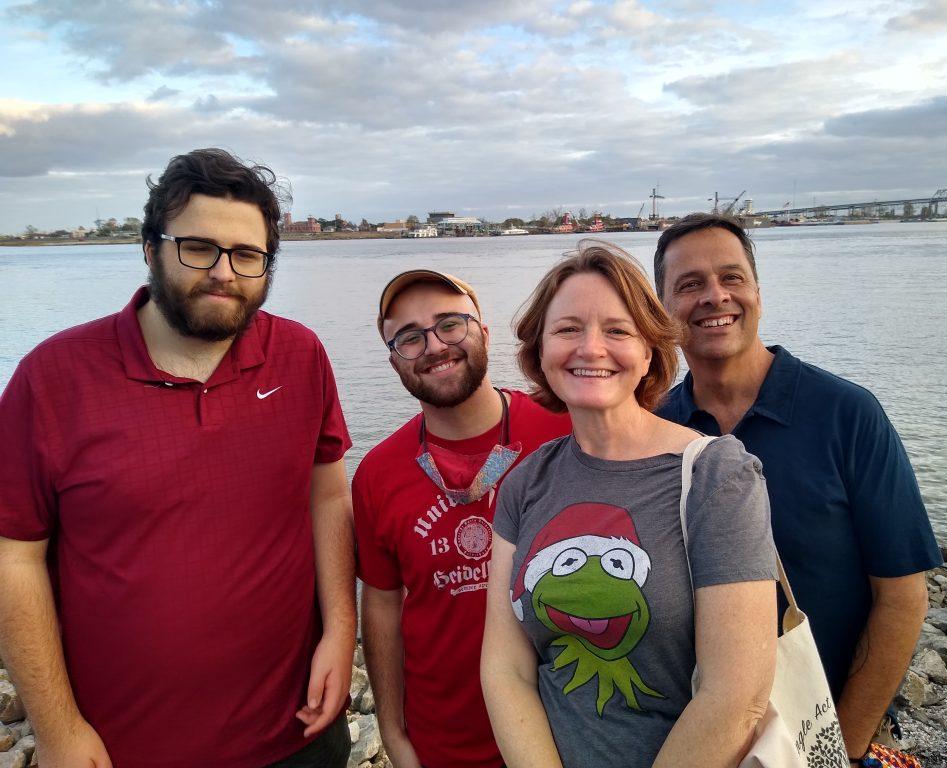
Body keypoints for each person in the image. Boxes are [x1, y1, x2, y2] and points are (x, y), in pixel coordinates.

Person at [0, 148, 356, 768]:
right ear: (149, 248)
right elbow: (14, 554)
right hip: (125, 747)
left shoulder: (300, 356)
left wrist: (339, 630)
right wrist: (57, 728)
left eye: (247, 255)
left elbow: (326, 494)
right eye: (199, 247)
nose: (224, 271)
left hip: (297, 735)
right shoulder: (53, 379)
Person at [652, 213, 942, 763]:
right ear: (661, 309)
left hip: (823, 726)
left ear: (757, 291)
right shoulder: (656, 428)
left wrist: (845, 747)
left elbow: (902, 597)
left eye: (731, 277)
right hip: (696, 738)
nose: (715, 296)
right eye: (689, 285)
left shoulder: (846, 414)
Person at [481, 242, 778, 768]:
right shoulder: (525, 484)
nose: (591, 348)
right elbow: (506, 669)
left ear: (649, 352)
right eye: (568, 329)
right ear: (540, 352)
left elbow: (737, 694)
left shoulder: (717, 475)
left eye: (617, 330)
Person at [354, 270, 570, 768]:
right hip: (447, 741)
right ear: (394, 361)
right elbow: (383, 604)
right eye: (409, 337)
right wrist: (390, 728)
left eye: (450, 324)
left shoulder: (564, 431)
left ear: (484, 333)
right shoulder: (377, 474)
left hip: (570, 731)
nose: (433, 345)